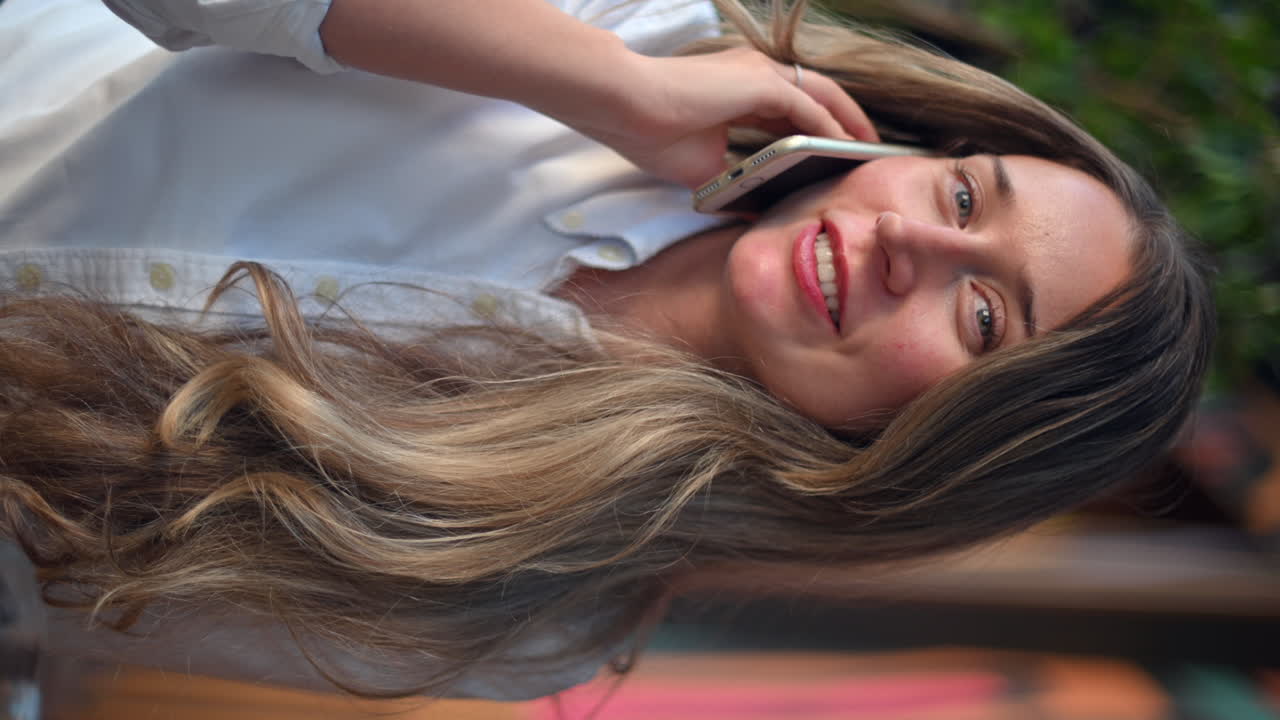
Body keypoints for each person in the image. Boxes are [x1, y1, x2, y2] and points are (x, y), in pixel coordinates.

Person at [0, 0, 1214, 704]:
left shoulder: (542, 608)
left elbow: (62, 592)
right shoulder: (651, 29)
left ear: (945, 452)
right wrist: (602, 81)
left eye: (983, 316)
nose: (905, 243)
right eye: (960, 197)